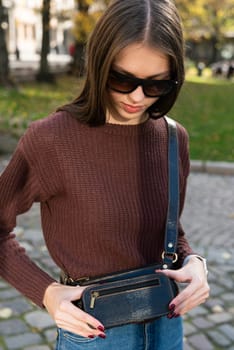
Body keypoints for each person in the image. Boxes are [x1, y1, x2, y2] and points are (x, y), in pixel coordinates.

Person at [0, 0, 209, 349]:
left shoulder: (173, 138)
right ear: (98, 63)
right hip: (95, 334)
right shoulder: (51, 140)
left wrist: (193, 261)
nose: (138, 97)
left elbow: (169, 229)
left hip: (167, 326)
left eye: (157, 85)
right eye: (121, 79)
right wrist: (47, 293)